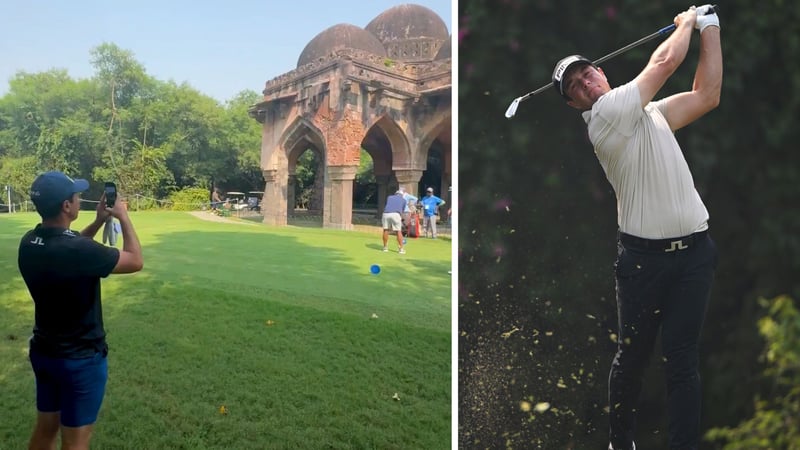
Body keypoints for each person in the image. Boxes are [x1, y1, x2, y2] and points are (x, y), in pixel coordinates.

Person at [552, 5, 721, 450]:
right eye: (574, 88)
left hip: (695, 256)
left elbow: (707, 95)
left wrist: (710, 28)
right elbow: (665, 63)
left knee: (682, 360)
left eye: (586, 74)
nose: (584, 85)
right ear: (575, 105)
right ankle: (620, 443)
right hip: (643, 263)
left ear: (600, 72)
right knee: (633, 359)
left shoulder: (649, 114)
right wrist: (687, 21)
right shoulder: (605, 116)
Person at [18, 171, 144, 450]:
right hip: (80, 360)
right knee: (76, 441)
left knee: (45, 428)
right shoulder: (77, 251)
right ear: (66, 206)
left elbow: (73, 246)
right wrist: (123, 216)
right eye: (76, 195)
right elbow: (135, 261)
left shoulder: (29, 242)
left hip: (45, 353)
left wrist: (99, 220)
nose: (79, 199)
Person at [381, 188, 406, 254]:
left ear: (396, 193)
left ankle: (385, 247)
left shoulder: (389, 197)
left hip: (386, 213)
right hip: (396, 214)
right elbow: (402, 211)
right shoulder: (403, 200)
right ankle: (401, 249)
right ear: (402, 195)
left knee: (386, 230)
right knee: (398, 231)